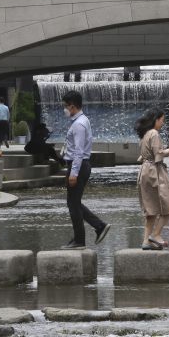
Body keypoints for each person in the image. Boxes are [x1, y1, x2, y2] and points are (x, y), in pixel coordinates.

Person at [60, 90, 110, 249]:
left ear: (72, 106)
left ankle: (80, 240)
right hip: (80, 165)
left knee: (73, 204)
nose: (65, 110)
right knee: (74, 202)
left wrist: (73, 173)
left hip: (79, 166)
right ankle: (99, 226)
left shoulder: (79, 124)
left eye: (65, 106)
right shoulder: (81, 121)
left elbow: (79, 151)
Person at [135, 109, 169, 251]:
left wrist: (163, 153)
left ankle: (146, 241)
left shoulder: (144, 135)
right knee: (168, 206)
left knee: (151, 210)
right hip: (154, 172)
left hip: (144, 171)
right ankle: (156, 235)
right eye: (162, 120)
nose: (162, 123)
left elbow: (143, 156)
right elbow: (158, 155)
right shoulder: (154, 133)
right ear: (156, 120)